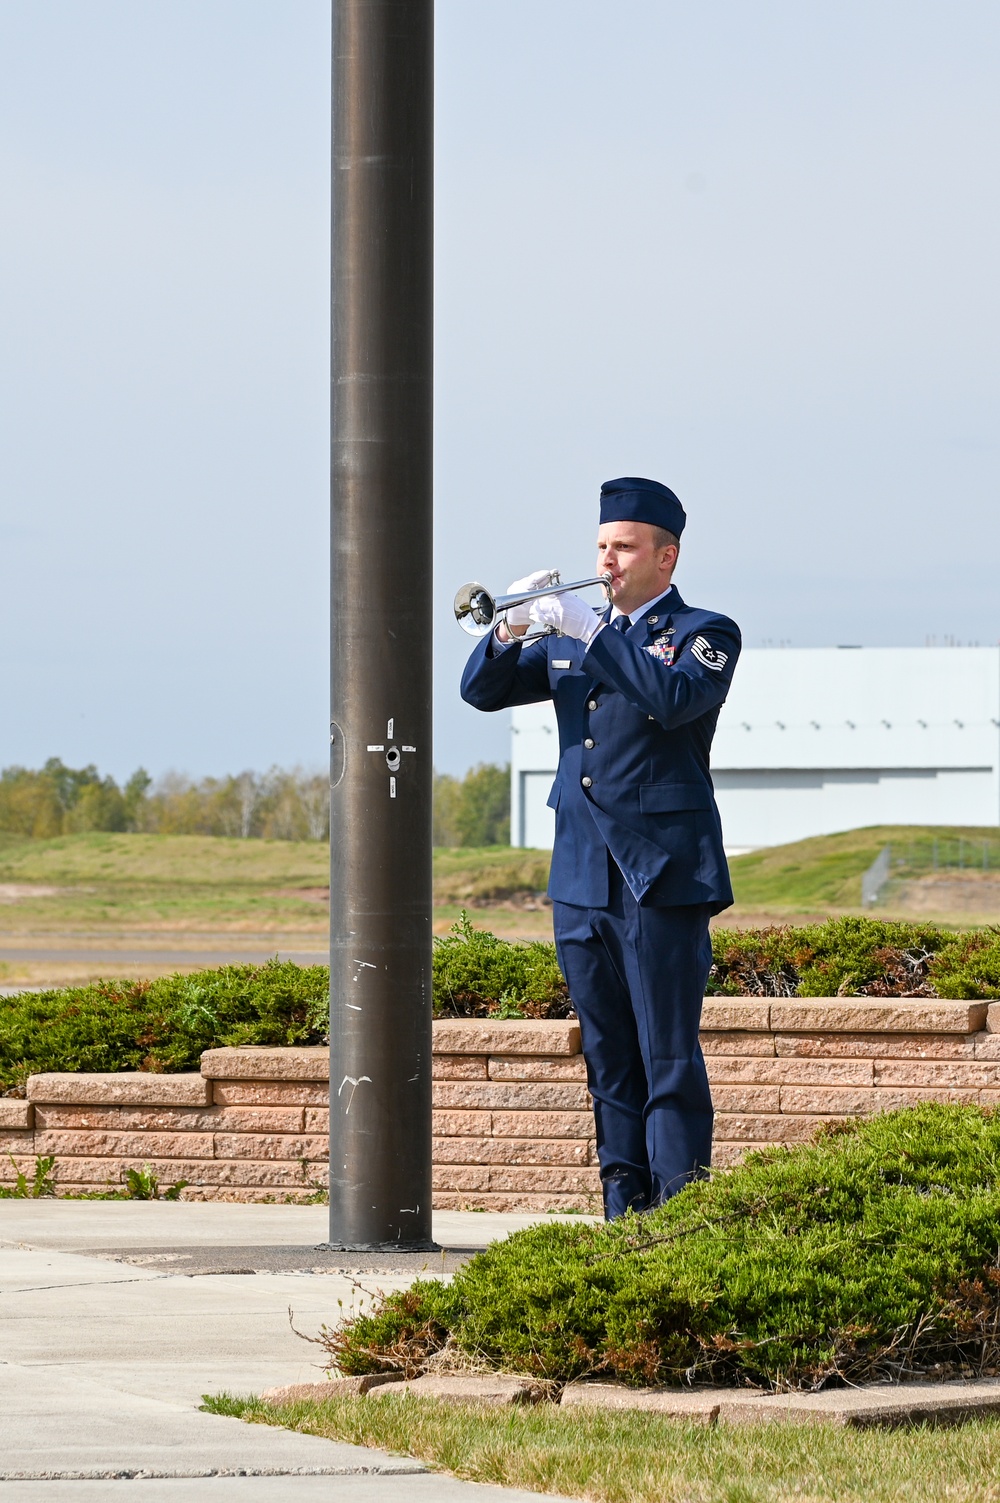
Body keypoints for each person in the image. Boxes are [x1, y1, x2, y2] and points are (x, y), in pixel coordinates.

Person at [460, 476, 741, 1218]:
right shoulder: (573, 634)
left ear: (665, 557)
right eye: (601, 546)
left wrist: (591, 630)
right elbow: (479, 693)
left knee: (667, 1058)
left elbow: (673, 699)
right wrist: (508, 629)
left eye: (622, 547)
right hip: (583, 874)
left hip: (661, 874)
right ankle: (622, 1215)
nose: (607, 560)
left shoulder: (705, 632)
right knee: (608, 1058)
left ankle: (680, 1215)